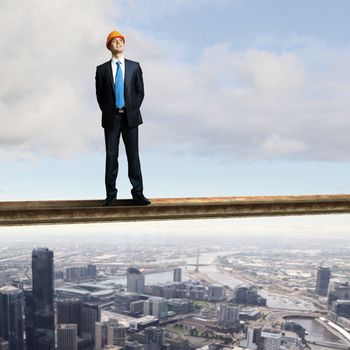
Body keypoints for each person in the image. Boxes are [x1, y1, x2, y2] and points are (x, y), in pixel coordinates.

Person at [95, 31, 151, 206]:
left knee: (133, 155)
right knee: (111, 156)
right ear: (109, 46)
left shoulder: (135, 66)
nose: (118, 43)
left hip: (131, 118)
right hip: (111, 118)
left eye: (120, 41)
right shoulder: (102, 69)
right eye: (114, 41)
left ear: (124, 45)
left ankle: (138, 193)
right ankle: (111, 195)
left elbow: (140, 92)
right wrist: (109, 111)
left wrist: (131, 109)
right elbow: (100, 95)